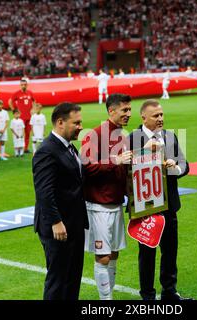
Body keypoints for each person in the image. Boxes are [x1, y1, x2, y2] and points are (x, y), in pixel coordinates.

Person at [128, 99, 191, 301]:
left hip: (169, 205)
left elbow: (185, 165)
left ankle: (169, 292)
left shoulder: (170, 137)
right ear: (144, 118)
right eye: (156, 116)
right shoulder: (131, 139)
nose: (161, 118)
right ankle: (147, 296)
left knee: (170, 251)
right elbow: (124, 170)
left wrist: (174, 167)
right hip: (145, 207)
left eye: (162, 114)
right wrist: (146, 152)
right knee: (147, 254)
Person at [32, 102, 87, 300]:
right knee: (58, 279)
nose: (80, 126)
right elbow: (44, 192)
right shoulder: (46, 150)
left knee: (72, 277)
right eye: (77, 122)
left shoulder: (69, 148)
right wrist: (56, 221)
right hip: (58, 228)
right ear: (60, 122)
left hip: (73, 224)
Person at [80, 93, 133, 300]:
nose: (129, 114)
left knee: (114, 255)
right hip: (98, 205)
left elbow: (124, 169)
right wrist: (115, 160)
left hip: (116, 204)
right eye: (124, 110)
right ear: (111, 111)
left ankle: (107, 297)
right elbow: (87, 166)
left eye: (129, 110)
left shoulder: (122, 136)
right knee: (103, 257)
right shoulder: (94, 135)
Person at [9, 77, 35, 153]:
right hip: (21, 117)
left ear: (27, 85)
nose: (23, 86)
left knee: (27, 133)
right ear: (20, 85)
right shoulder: (17, 93)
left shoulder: (30, 93)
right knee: (20, 132)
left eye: (25, 84)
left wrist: (33, 109)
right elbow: (10, 101)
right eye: (22, 85)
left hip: (29, 117)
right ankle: (19, 148)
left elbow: (34, 101)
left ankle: (25, 148)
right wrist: (14, 110)